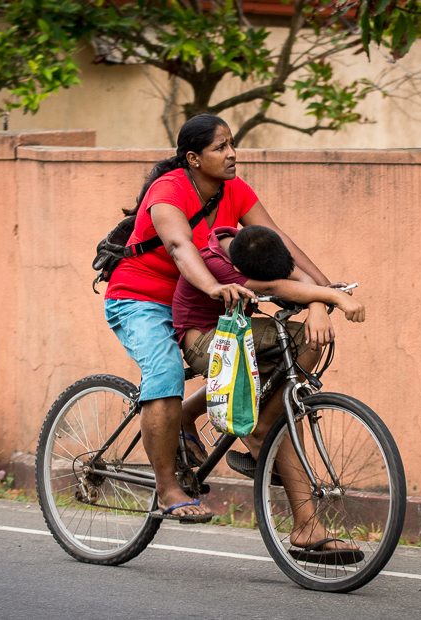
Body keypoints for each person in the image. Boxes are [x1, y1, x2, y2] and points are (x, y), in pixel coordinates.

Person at [103, 114, 338, 523]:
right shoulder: (168, 190)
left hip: (199, 302)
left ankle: (222, 424)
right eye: (220, 147)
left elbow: (278, 245)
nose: (231, 154)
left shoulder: (235, 190)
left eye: (232, 144)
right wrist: (212, 286)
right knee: (164, 376)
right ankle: (166, 488)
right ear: (193, 158)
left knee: (280, 356)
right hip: (140, 298)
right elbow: (179, 247)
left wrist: (324, 292)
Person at [172, 224, 365, 560]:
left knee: (286, 395)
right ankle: (264, 426)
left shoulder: (255, 245)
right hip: (205, 341)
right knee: (302, 339)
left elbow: (296, 277)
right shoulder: (216, 262)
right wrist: (333, 297)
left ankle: (248, 419)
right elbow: (279, 286)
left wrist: (317, 306)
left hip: (238, 333)